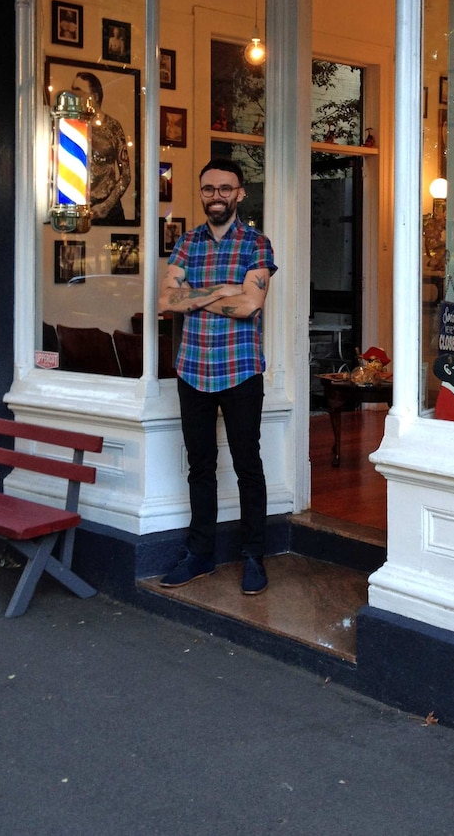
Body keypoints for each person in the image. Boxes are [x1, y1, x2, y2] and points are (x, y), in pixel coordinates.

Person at [158, 158, 276, 595]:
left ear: (240, 193)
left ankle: (253, 557)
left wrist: (194, 297)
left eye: (226, 189)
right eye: (209, 189)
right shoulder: (187, 243)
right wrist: (225, 290)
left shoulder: (256, 245)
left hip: (241, 369)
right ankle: (200, 554)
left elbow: (250, 307)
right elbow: (166, 299)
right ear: (202, 193)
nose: (217, 196)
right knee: (200, 467)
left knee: (248, 465)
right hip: (193, 370)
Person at [70, 71, 131, 224]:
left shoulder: (113, 127)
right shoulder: (69, 127)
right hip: (78, 206)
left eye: (79, 92)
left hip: (109, 209)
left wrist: (106, 205)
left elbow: (126, 175)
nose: (73, 97)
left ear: (94, 97)